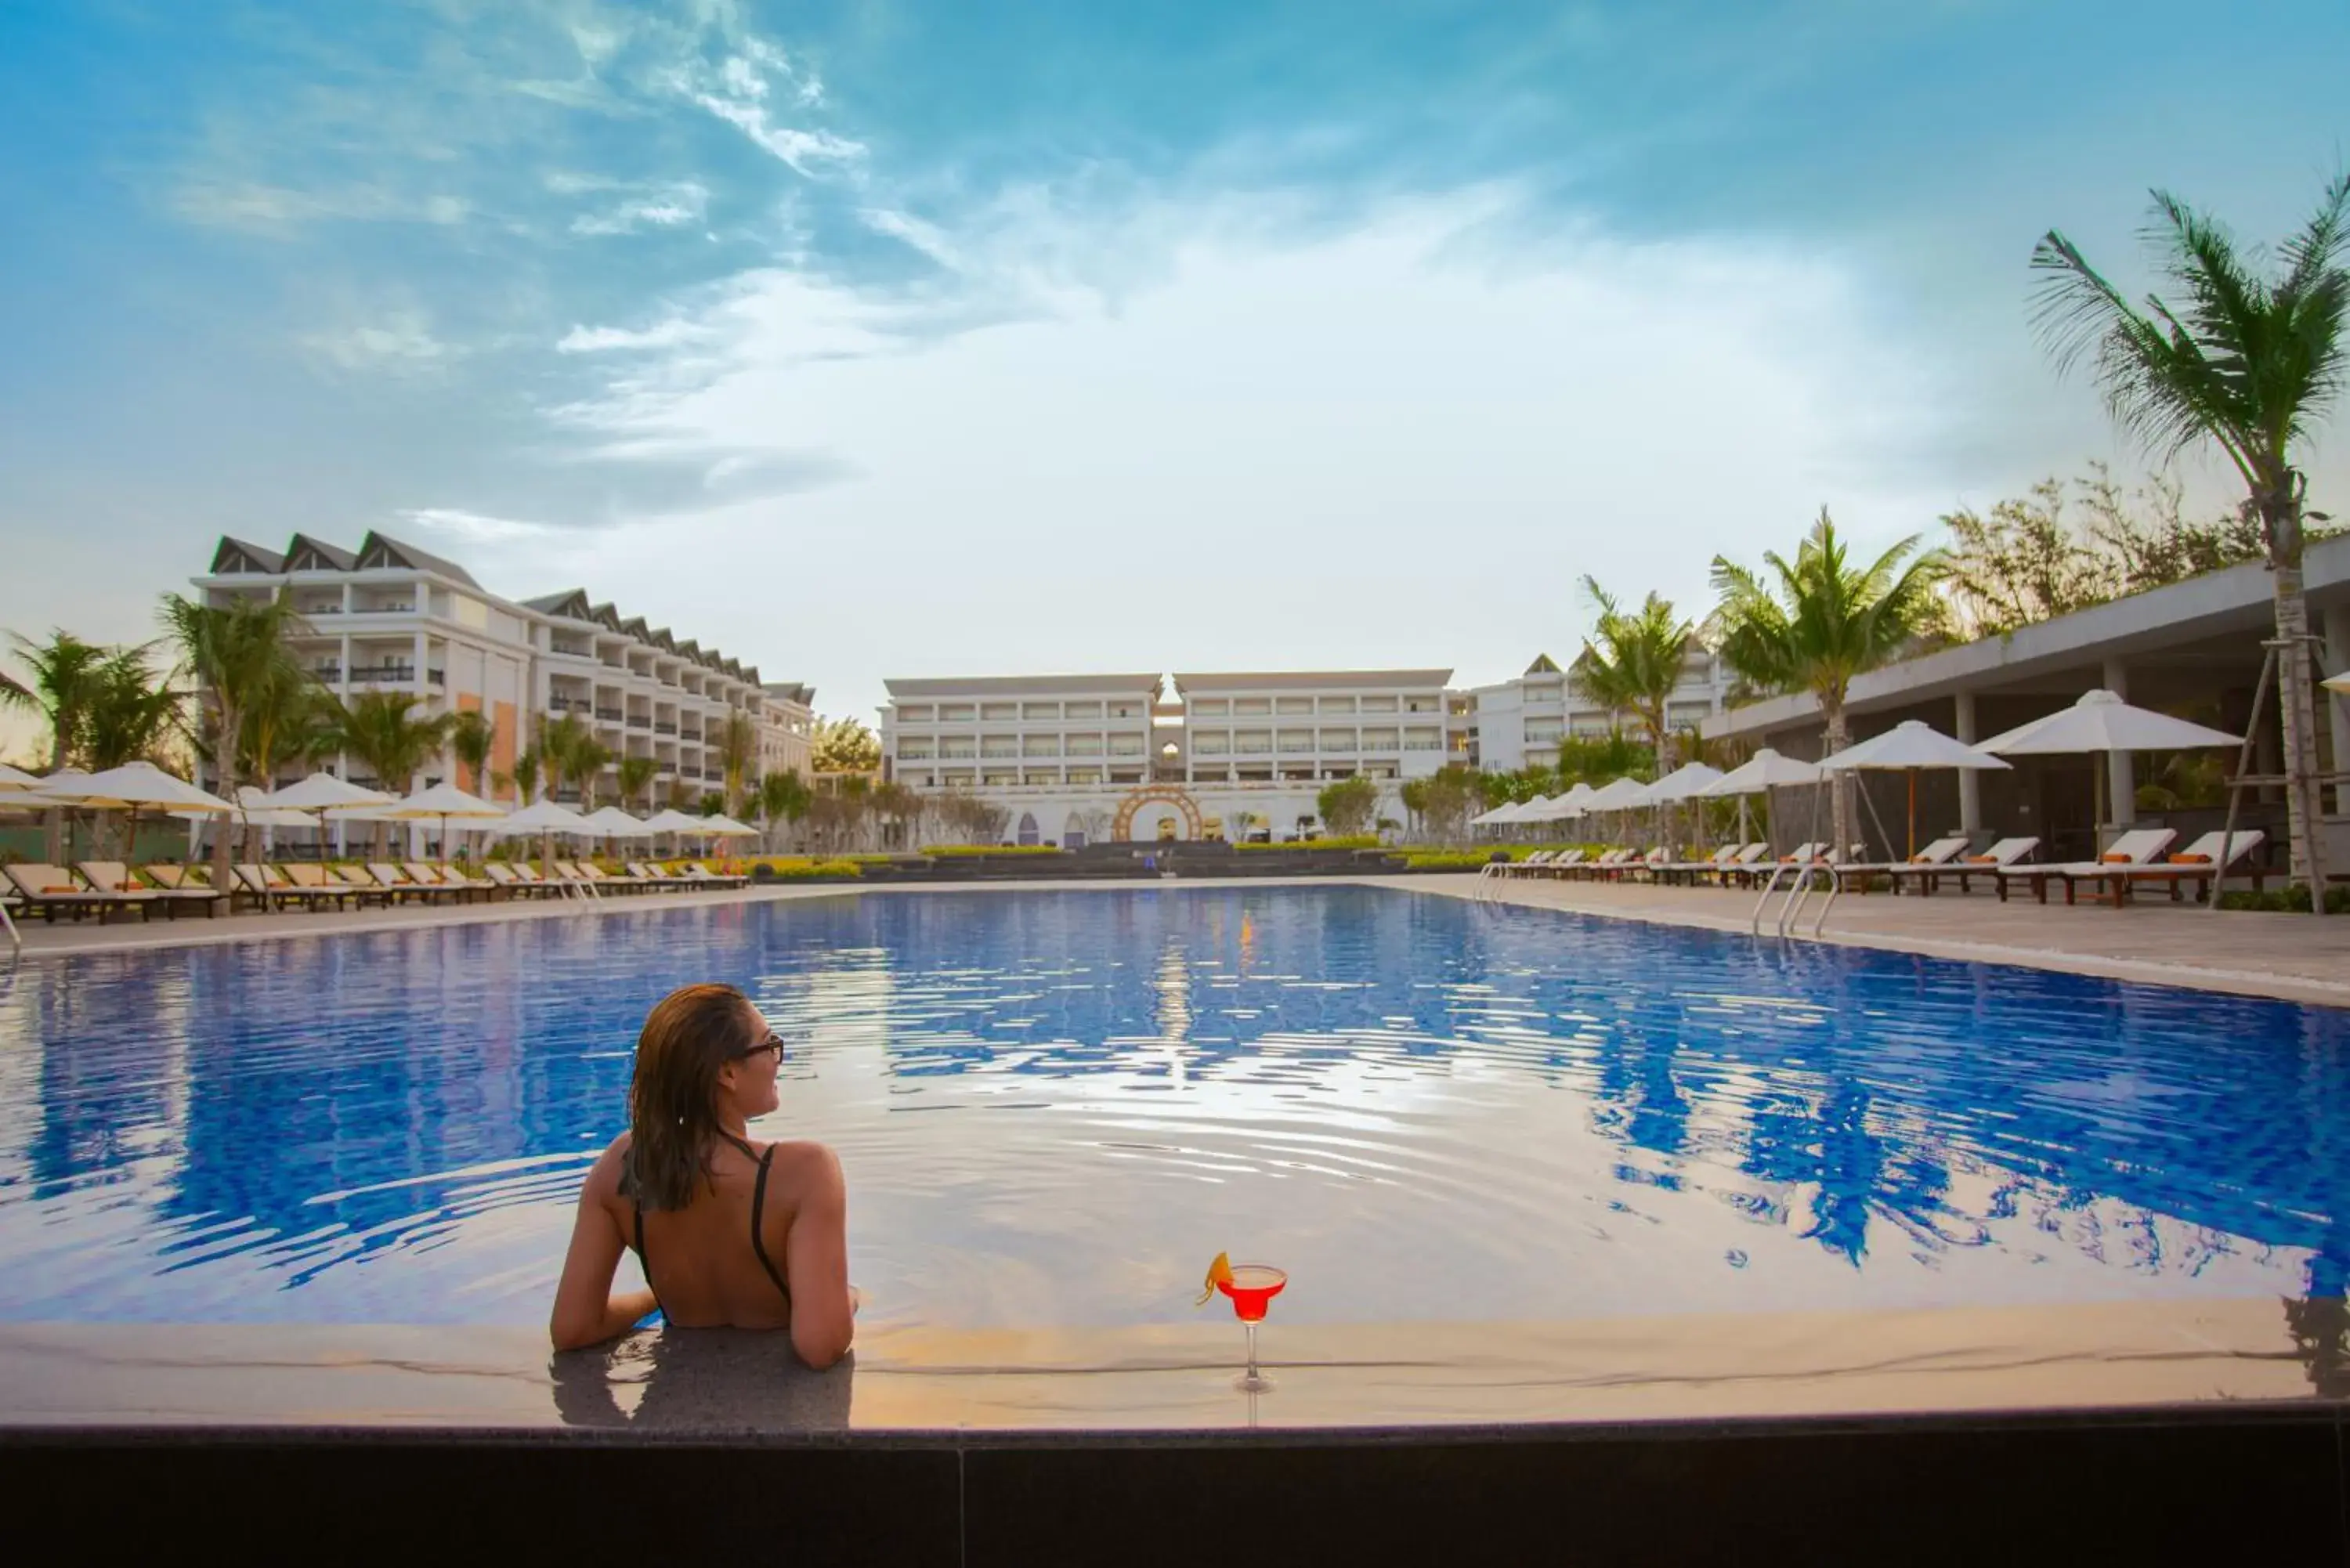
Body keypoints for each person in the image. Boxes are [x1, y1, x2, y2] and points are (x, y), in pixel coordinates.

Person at [551, 983, 855, 1367]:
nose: (778, 1058)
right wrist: (847, 1297)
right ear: (727, 1073)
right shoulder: (806, 1172)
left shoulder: (622, 1164)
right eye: (768, 1045)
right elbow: (820, 1347)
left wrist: (653, 1299)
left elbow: (573, 1329)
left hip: (663, 1417)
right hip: (772, 1416)